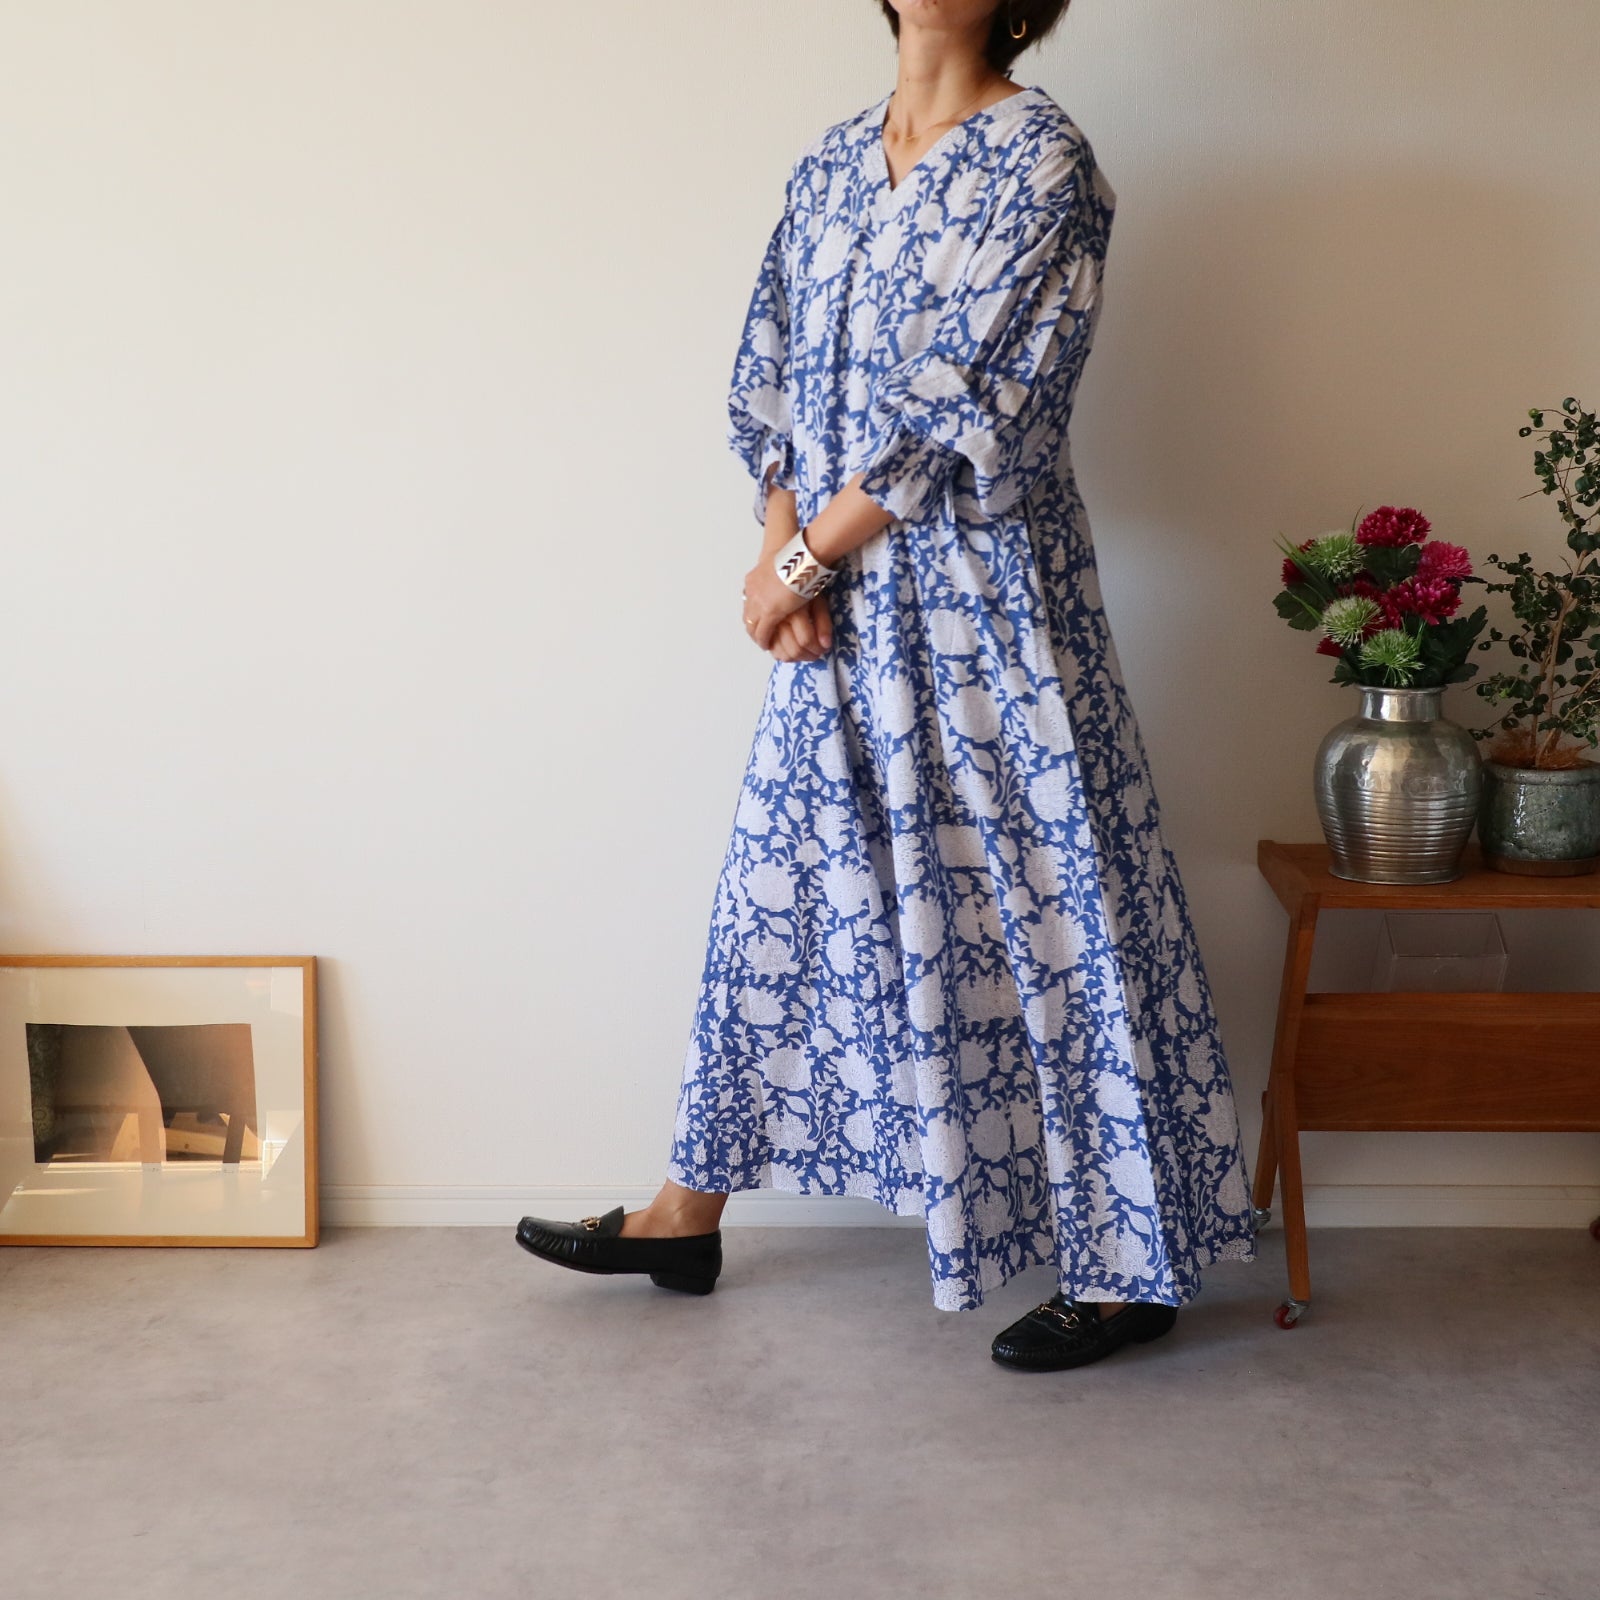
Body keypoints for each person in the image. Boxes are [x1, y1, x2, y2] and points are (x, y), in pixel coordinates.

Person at [517, 0, 1255, 1372]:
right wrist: (779, 557)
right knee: (780, 886)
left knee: (1047, 896)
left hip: (987, 604)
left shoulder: (1045, 160)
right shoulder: (829, 163)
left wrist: (805, 560)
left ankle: (1126, 1263)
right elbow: (773, 376)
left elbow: (969, 403)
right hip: (837, 603)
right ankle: (685, 1213)